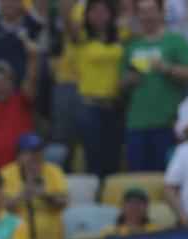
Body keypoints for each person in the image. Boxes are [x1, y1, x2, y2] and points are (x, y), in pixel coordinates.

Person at [121, 0, 188, 171]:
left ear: (162, 13)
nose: (147, 16)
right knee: (137, 178)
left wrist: (167, 68)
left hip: (166, 122)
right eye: (142, 12)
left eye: (151, 11)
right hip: (136, 123)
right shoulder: (132, 45)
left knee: (163, 176)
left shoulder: (176, 41)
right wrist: (129, 80)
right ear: (137, 16)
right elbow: (121, 83)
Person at [66, 0, 126, 180]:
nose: (99, 15)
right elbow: (68, 20)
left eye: (103, 11)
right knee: (94, 160)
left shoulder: (121, 36)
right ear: (87, 16)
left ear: (111, 14)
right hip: (89, 107)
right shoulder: (81, 38)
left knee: (113, 160)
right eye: (94, 11)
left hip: (115, 106)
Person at [2, 133, 69, 239]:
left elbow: (64, 203)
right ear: (19, 155)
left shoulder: (53, 171)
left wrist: (45, 195)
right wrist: (22, 195)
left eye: (39, 151)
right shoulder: (6, 174)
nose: (36, 156)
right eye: (30, 152)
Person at [0, 58, 39, 171]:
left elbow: (32, 79)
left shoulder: (22, 101)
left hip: (19, 170)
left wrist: (33, 58)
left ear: (12, 83)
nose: (0, 86)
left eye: (4, 81)